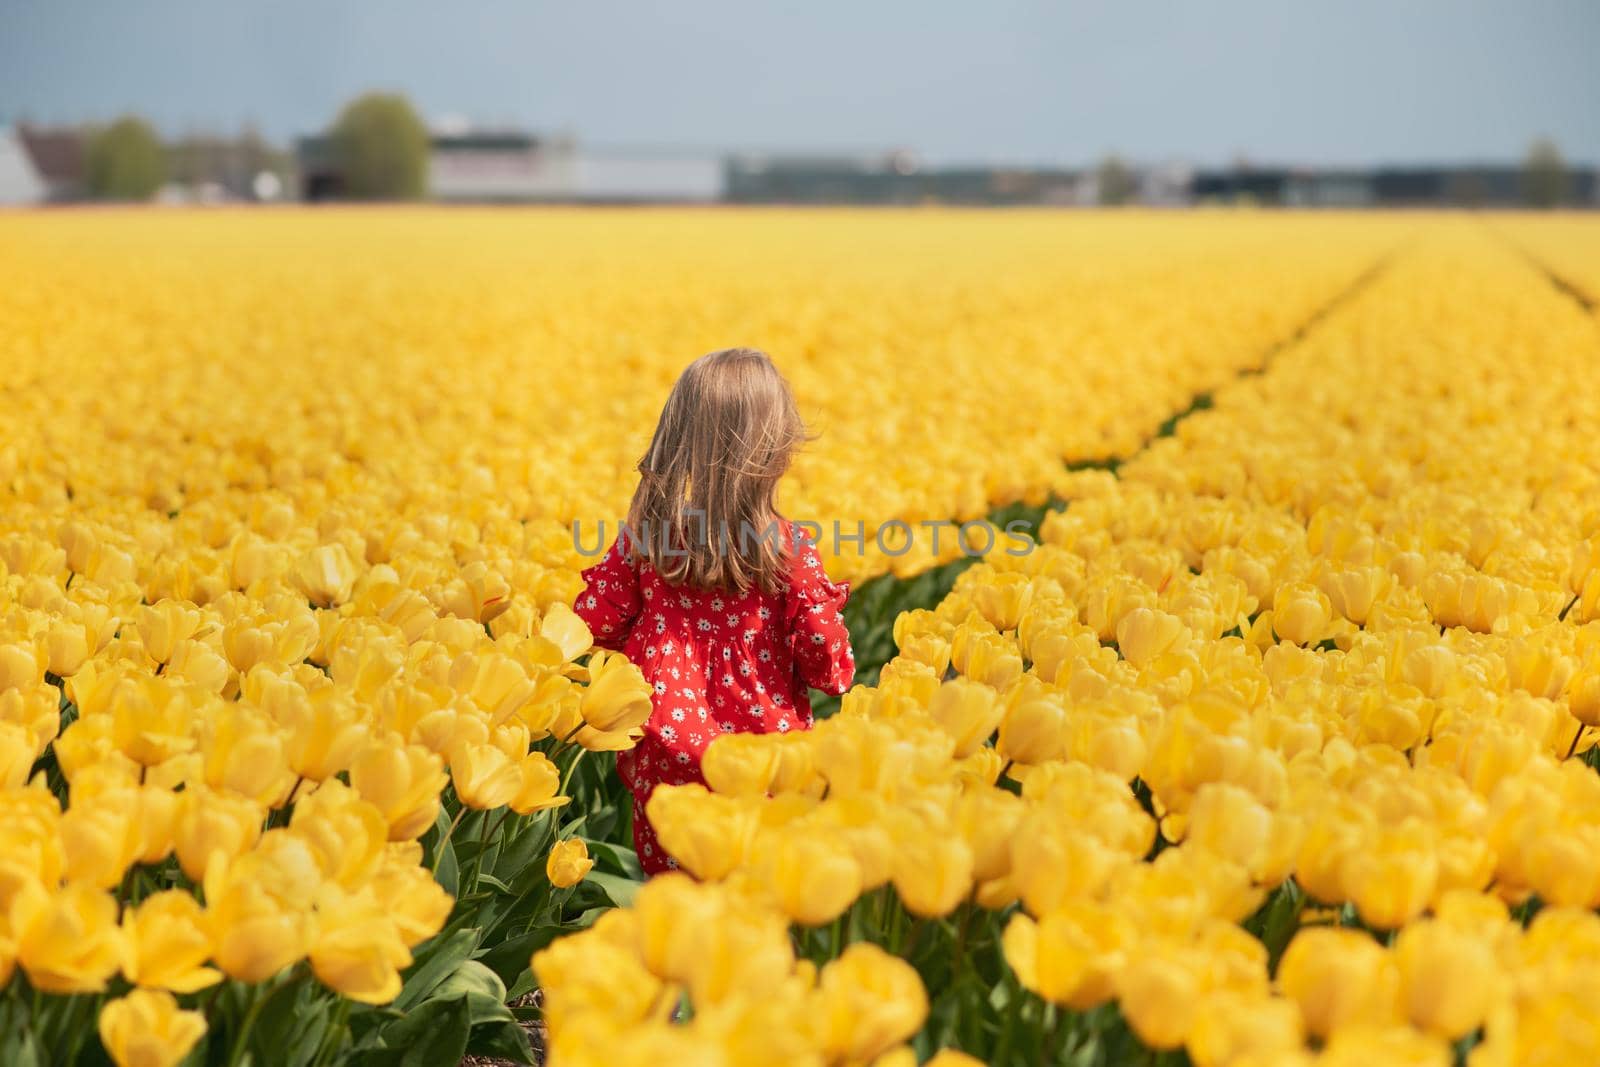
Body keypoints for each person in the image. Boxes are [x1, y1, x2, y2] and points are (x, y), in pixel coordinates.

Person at [573, 348, 854, 874]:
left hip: (663, 757)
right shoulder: (788, 548)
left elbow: (592, 627)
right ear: (777, 450)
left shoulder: (645, 541)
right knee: (756, 901)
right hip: (764, 769)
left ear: (675, 440)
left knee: (674, 908)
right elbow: (830, 670)